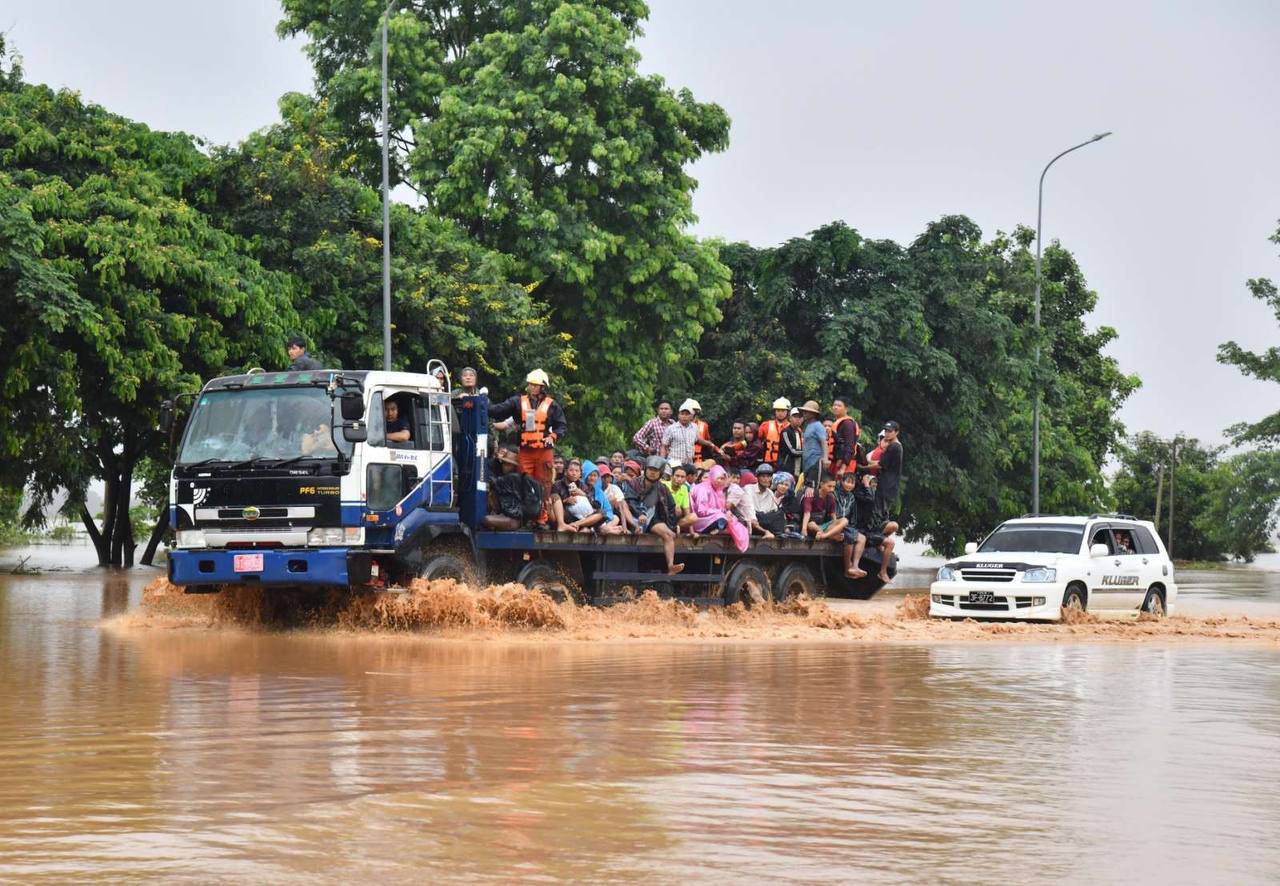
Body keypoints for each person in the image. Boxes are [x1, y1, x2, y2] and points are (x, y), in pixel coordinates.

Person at [488, 369, 567, 501]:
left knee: (544, 483)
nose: (532, 387)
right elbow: (497, 410)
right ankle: (524, 518)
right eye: (530, 384)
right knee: (524, 482)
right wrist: (483, 403)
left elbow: (561, 426)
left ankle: (542, 518)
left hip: (544, 451)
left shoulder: (552, 405)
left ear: (542, 387)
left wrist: (552, 436)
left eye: (535, 385)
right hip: (526, 451)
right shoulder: (518, 402)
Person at [623, 456, 685, 575]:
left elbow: (671, 508)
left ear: (660, 473)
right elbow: (631, 501)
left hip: (653, 519)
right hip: (635, 517)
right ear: (645, 469)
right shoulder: (634, 483)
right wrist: (640, 513)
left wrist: (673, 525)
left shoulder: (662, 488)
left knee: (669, 534)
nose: (652, 472)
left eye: (655, 470)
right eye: (650, 469)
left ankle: (671, 566)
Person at [853, 472, 898, 583]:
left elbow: (885, 517)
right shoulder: (861, 494)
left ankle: (882, 571)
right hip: (864, 530)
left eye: (875, 484)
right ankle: (882, 572)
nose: (874, 486)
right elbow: (869, 501)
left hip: (874, 530)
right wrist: (866, 486)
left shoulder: (881, 499)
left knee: (894, 526)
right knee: (890, 543)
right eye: (872, 483)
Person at [551, 459, 604, 533]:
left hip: (581, 518)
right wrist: (565, 501)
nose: (574, 473)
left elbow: (593, 505)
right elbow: (554, 502)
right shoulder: (557, 484)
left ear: (580, 474)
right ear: (566, 472)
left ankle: (574, 525)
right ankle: (562, 525)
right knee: (554, 496)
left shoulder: (582, 485)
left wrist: (583, 494)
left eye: (577, 471)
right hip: (565, 514)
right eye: (571, 470)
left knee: (601, 513)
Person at [833, 471, 868, 579]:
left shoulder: (852, 497)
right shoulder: (835, 493)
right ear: (842, 482)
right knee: (850, 537)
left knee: (862, 538)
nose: (850, 485)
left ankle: (855, 566)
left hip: (847, 525)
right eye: (847, 482)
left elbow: (853, 515)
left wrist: (852, 527)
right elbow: (831, 512)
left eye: (852, 483)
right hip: (835, 523)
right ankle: (848, 568)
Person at [870, 420, 903, 515]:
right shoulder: (895, 446)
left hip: (887, 486)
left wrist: (862, 467)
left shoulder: (894, 446)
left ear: (896, 432)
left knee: (879, 514)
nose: (887, 434)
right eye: (886, 431)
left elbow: (880, 465)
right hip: (888, 485)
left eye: (890, 431)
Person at [800, 474, 847, 541]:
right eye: (829, 486)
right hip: (811, 526)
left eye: (833, 487)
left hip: (823, 526)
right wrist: (804, 529)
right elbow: (807, 513)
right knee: (812, 524)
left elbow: (833, 516)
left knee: (844, 520)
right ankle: (829, 536)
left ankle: (824, 536)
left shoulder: (831, 498)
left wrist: (837, 528)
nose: (832, 489)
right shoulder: (811, 495)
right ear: (821, 484)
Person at [744, 463, 786, 537]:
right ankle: (766, 532)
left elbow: (774, 511)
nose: (766, 479)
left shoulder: (770, 493)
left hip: (764, 520)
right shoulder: (749, 489)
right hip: (751, 520)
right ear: (758, 478)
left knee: (780, 514)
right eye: (763, 476)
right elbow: (749, 510)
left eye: (769, 477)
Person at [689, 465, 732, 535]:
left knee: (732, 519)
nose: (721, 481)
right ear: (713, 477)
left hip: (713, 516)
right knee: (721, 517)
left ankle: (718, 528)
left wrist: (725, 512)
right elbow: (701, 512)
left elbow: (722, 508)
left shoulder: (718, 491)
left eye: (723, 479)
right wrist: (721, 512)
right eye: (719, 478)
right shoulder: (703, 489)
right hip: (699, 519)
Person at [583, 460, 624, 535]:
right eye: (590, 475)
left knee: (615, 517)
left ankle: (605, 529)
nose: (592, 478)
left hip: (601, 519)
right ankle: (606, 530)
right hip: (586, 518)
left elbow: (608, 509)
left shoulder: (599, 491)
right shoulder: (580, 488)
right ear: (585, 475)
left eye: (595, 475)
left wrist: (606, 517)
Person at [659, 401, 701, 465]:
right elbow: (664, 446)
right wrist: (662, 462)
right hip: (674, 463)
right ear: (678, 415)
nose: (684, 416)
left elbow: (697, 440)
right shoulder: (671, 428)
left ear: (691, 416)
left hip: (689, 463)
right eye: (682, 414)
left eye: (687, 414)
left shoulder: (695, 427)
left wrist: (711, 445)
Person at [827, 397, 861, 477]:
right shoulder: (838, 422)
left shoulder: (847, 423)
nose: (835, 407)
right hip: (836, 462)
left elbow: (850, 446)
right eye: (834, 405)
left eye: (839, 406)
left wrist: (843, 467)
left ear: (846, 409)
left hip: (845, 464)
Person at [798, 400, 828, 489]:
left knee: (813, 488)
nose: (804, 413)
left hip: (815, 462)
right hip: (807, 463)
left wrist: (825, 458)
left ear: (813, 414)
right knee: (807, 488)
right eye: (804, 411)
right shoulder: (808, 426)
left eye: (807, 412)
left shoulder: (818, 426)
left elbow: (824, 442)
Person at [758, 399, 790, 470]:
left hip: (785, 463)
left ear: (787, 412)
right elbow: (757, 441)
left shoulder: (792, 427)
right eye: (778, 410)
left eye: (783, 411)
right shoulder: (766, 425)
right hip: (768, 463)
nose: (780, 413)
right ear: (775, 411)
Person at [780, 407, 805, 484]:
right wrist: (807, 453)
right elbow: (792, 451)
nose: (798, 419)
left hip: (798, 467)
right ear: (790, 418)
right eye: (795, 417)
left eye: (800, 417)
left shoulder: (800, 432)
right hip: (788, 466)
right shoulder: (785, 432)